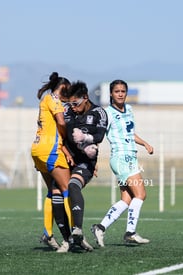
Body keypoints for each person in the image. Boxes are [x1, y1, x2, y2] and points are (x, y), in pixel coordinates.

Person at [91, 79, 154, 247]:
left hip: (131, 157)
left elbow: (130, 133)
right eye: (117, 91)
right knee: (140, 194)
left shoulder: (129, 110)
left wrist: (145, 143)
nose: (120, 94)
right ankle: (130, 233)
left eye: (123, 91)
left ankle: (100, 227)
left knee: (127, 199)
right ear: (111, 94)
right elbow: (98, 136)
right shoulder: (107, 113)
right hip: (121, 158)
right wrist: (93, 159)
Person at [62, 81, 108, 251]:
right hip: (66, 157)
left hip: (85, 161)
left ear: (86, 98)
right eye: (70, 103)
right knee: (57, 196)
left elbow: (100, 135)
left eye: (75, 103)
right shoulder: (68, 111)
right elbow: (63, 131)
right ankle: (61, 238)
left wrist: (86, 140)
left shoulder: (99, 112)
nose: (72, 107)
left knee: (74, 186)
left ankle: (77, 230)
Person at [31, 72, 73, 253]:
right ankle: (74, 235)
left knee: (53, 192)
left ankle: (48, 233)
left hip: (38, 149)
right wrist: (68, 139)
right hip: (50, 151)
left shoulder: (45, 101)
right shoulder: (54, 100)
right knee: (68, 190)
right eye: (68, 92)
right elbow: (61, 123)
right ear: (62, 89)